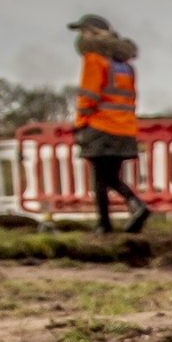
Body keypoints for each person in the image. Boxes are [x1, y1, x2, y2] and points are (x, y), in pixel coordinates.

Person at [70, 13, 150, 234]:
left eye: (84, 31)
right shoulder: (124, 64)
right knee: (112, 176)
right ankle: (135, 205)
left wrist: (80, 123)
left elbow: (88, 96)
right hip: (124, 127)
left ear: (93, 34)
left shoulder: (94, 58)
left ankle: (104, 224)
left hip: (100, 126)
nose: (81, 36)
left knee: (100, 178)